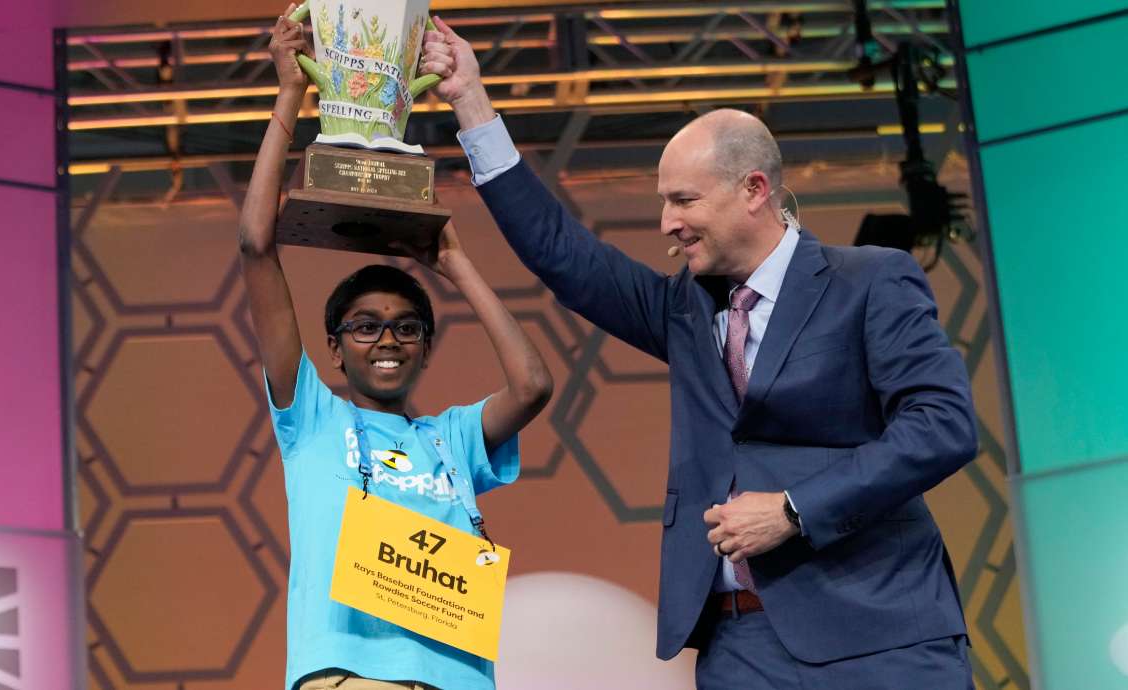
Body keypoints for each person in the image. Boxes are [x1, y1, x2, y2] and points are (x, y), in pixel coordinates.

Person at [420, 16, 978, 689]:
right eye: (664, 203)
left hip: (879, 635)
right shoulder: (681, 311)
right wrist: (471, 101)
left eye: (684, 200)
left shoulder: (869, 281)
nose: (668, 223)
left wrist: (794, 508)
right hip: (741, 646)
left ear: (754, 190)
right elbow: (560, 252)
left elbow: (943, 426)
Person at [240, 8, 553, 690]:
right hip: (348, 678)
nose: (387, 339)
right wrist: (290, 93)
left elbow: (532, 386)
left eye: (407, 328)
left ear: (426, 348)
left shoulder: (453, 438)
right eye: (366, 327)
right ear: (334, 349)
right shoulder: (311, 418)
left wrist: (456, 263)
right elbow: (256, 246)